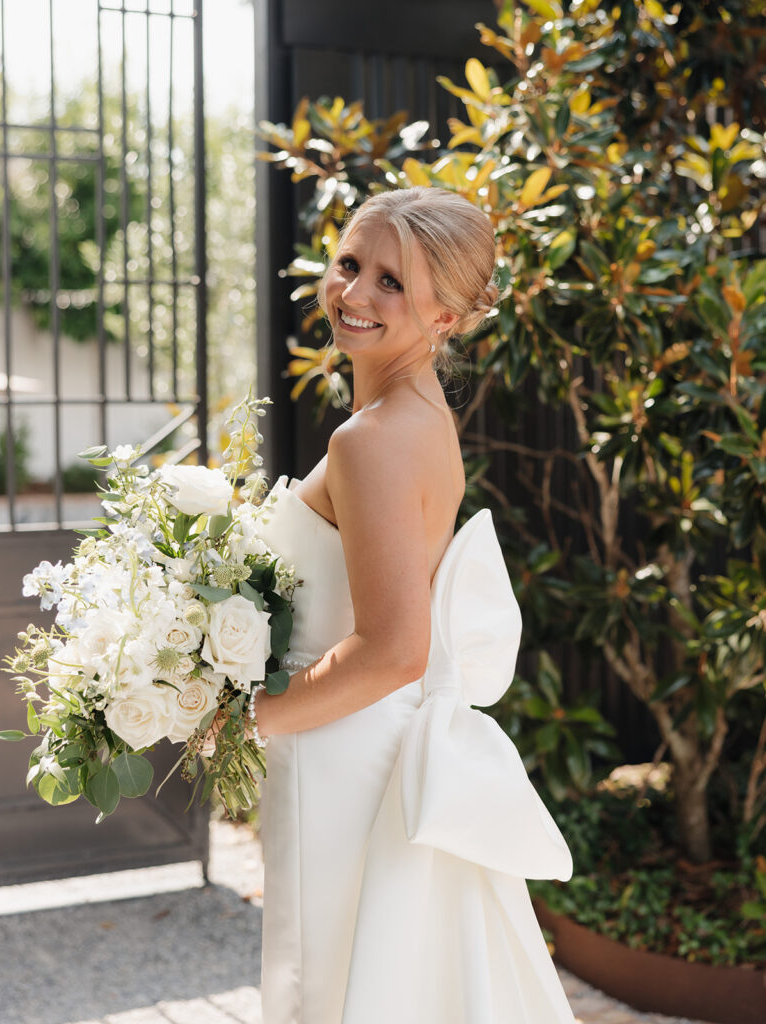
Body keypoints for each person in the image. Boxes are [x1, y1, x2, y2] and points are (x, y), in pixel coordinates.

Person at [249, 186, 576, 1023]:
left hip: (342, 754)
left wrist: (250, 714)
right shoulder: (415, 414)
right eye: (350, 264)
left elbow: (394, 647)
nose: (353, 295)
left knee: (328, 981)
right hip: (368, 744)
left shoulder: (373, 439)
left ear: (448, 316)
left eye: (391, 281)